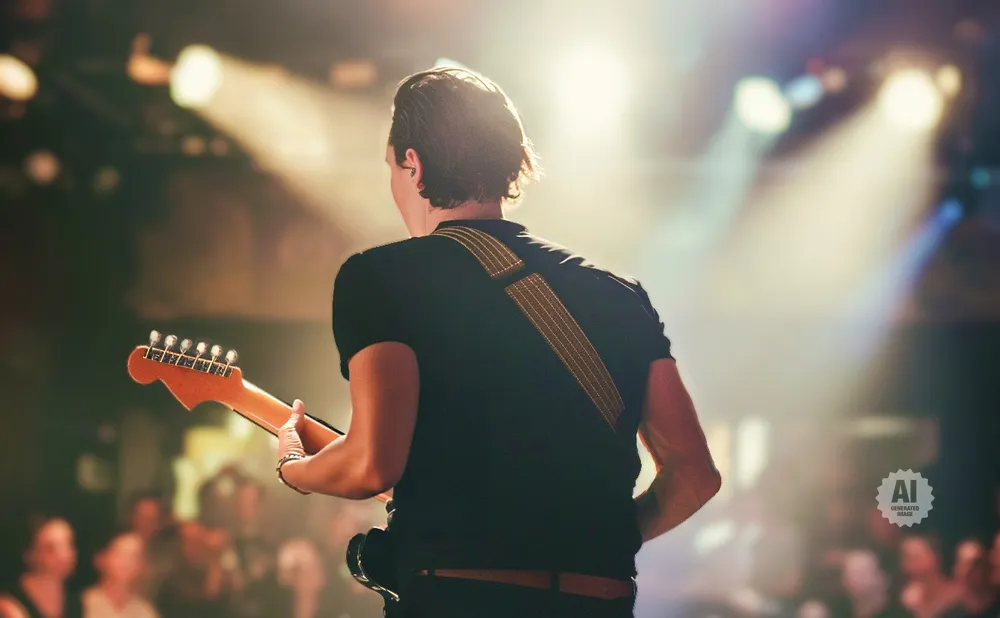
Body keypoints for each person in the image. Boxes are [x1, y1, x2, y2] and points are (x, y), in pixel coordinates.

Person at [275, 67, 722, 617]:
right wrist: (599, 545)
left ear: (413, 165)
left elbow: (371, 464)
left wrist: (294, 467)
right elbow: (695, 474)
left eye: (390, 167)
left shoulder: (380, 277)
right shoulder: (620, 295)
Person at [0, 516, 83, 618]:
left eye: (68, 544)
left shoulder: (76, 600)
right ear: (30, 555)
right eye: (50, 548)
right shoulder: (9, 604)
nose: (64, 555)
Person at [82, 532, 158, 618]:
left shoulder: (145, 610)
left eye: (134, 557)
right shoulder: (84, 604)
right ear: (102, 558)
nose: (127, 563)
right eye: (121, 554)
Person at [899, 535, 961, 618]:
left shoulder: (957, 598)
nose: (911, 565)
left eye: (917, 558)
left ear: (935, 558)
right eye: (908, 559)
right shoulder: (908, 601)